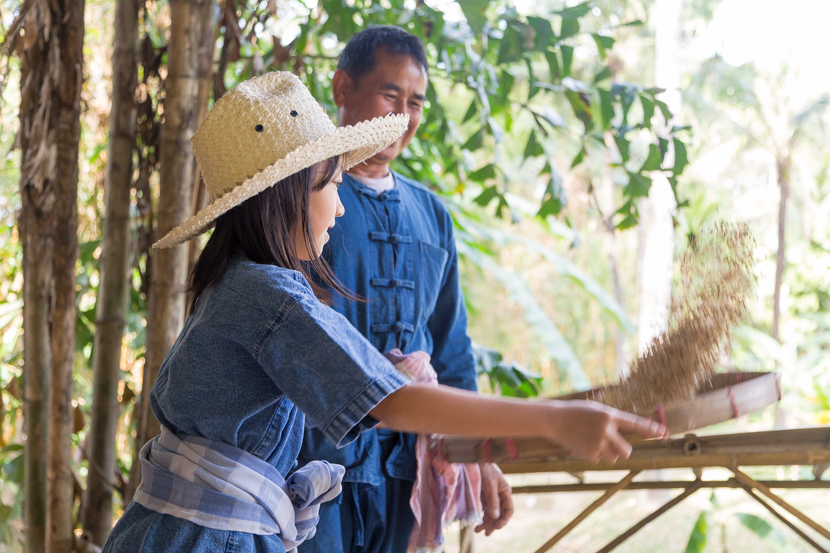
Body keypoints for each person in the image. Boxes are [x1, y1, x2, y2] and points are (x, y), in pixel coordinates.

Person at [101, 71, 664, 553]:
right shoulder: (271, 294)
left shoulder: (233, 284)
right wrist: (556, 421)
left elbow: (442, 353)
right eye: (332, 184)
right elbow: (392, 400)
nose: (340, 206)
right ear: (288, 195)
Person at [296, 26, 508, 553]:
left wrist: (480, 452)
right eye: (391, 94)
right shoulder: (299, 199)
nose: (404, 116)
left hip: (407, 467)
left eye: (416, 102)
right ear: (343, 87)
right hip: (313, 464)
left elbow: (451, 347)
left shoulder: (432, 215)